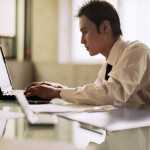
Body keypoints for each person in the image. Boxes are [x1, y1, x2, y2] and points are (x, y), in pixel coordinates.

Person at [25, 0, 150, 106]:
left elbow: (112, 95)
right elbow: (97, 95)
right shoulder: (109, 63)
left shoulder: (137, 50)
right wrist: (60, 89)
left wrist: (58, 92)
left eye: (85, 31)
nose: (81, 40)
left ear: (105, 27)